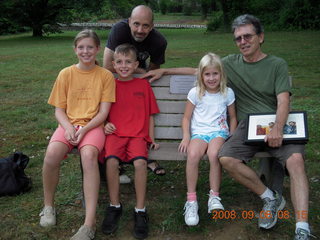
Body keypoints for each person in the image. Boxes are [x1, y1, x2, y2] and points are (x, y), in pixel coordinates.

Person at [142, 14, 313, 240]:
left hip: (277, 123)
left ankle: (302, 226)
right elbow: (201, 70)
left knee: (296, 161)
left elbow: (283, 101)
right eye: (238, 38)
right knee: (225, 157)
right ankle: (270, 197)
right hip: (247, 127)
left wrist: (278, 127)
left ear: (260, 37)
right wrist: (166, 71)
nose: (242, 42)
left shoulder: (276, 64)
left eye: (248, 36)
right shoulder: (230, 64)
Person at [39, 30, 115, 240]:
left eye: (90, 47)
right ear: (75, 50)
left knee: (89, 156)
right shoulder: (66, 74)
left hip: (93, 126)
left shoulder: (105, 76)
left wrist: (84, 131)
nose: (86, 51)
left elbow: (103, 113)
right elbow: (58, 110)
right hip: (68, 125)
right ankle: (48, 206)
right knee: (52, 154)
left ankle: (88, 224)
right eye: (81, 47)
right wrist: (69, 128)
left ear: (97, 49)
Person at [101, 44, 160, 239]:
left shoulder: (143, 85)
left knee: (141, 163)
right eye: (119, 62)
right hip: (115, 134)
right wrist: (105, 124)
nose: (124, 66)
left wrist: (151, 138)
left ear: (136, 65)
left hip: (137, 135)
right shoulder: (109, 84)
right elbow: (102, 112)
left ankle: (140, 210)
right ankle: (114, 205)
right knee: (111, 161)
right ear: (113, 64)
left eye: (128, 62)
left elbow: (151, 114)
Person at [103, 5, 167, 178]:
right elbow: (108, 66)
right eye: (136, 24)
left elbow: (152, 74)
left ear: (152, 26)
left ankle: (143, 153)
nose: (140, 30)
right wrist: (137, 70)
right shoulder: (119, 30)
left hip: (139, 82)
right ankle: (117, 161)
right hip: (120, 77)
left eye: (145, 26)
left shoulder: (159, 42)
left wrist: (140, 75)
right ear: (129, 21)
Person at [179, 53, 237, 226]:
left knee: (214, 154)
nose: (211, 78)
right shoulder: (196, 93)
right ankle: (191, 201)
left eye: (215, 74)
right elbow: (186, 118)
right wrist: (186, 136)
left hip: (219, 132)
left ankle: (214, 197)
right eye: (207, 74)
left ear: (221, 74)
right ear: (201, 75)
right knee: (193, 154)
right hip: (200, 133)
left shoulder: (227, 92)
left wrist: (232, 136)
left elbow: (233, 117)